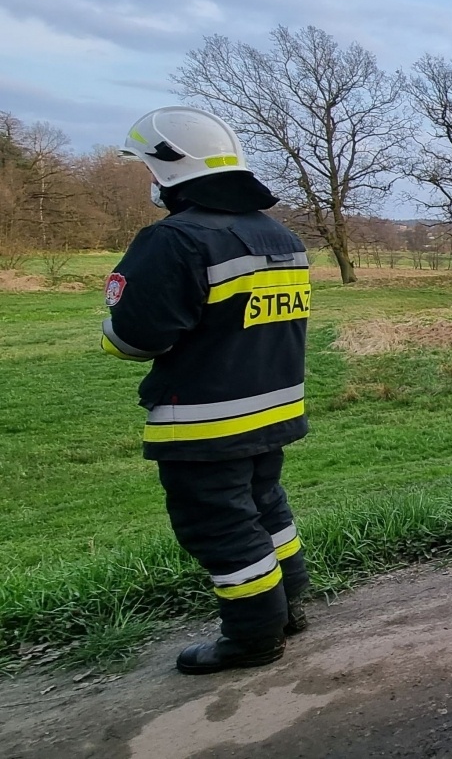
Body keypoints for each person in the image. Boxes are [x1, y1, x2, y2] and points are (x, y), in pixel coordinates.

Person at [100, 106, 312, 674]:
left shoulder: (176, 240)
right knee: (266, 507)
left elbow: (137, 338)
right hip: (274, 408)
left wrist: (110, 332)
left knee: (219, 527)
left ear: (169, 169)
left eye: (149, 168)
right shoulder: (280, 236)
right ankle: (290, 605)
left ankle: (252, 638)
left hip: (205, 419)